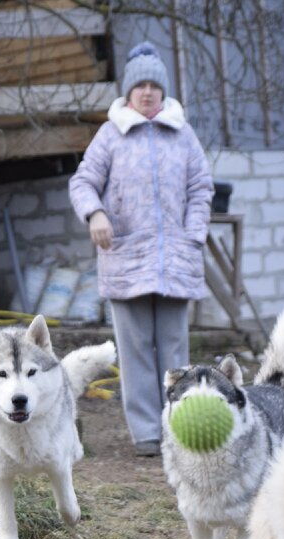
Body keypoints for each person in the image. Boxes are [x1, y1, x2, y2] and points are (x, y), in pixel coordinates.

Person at [68, 41, 214, 457]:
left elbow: (201, 187)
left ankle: (179, 428)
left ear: (163, 91)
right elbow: (82, 183)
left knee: (174, 352)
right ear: (129, 92)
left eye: (154, 85)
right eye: (140, 86)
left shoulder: (183, 135)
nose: (147, 92)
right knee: (134, 353)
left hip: (175, 261)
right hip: (126, 258)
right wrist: (95, 214)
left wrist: (195, 231)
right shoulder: (111, 135)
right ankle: (148, 435)